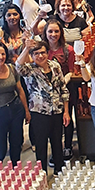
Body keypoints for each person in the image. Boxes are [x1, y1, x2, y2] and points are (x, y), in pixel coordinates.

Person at [16, 39, 70, 174]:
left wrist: (66, 111)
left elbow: (63, 89)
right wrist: (26, 48)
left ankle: (59, 169)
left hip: (57, 109)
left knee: (57, 141)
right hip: (39, 112)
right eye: (36, 54)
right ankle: (42, 172)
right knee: (41, 144)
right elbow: (18, 66)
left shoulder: (55, 66)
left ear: (48, 53)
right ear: (32, 56)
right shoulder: (29, 69)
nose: (40, 56)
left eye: (43, 53)